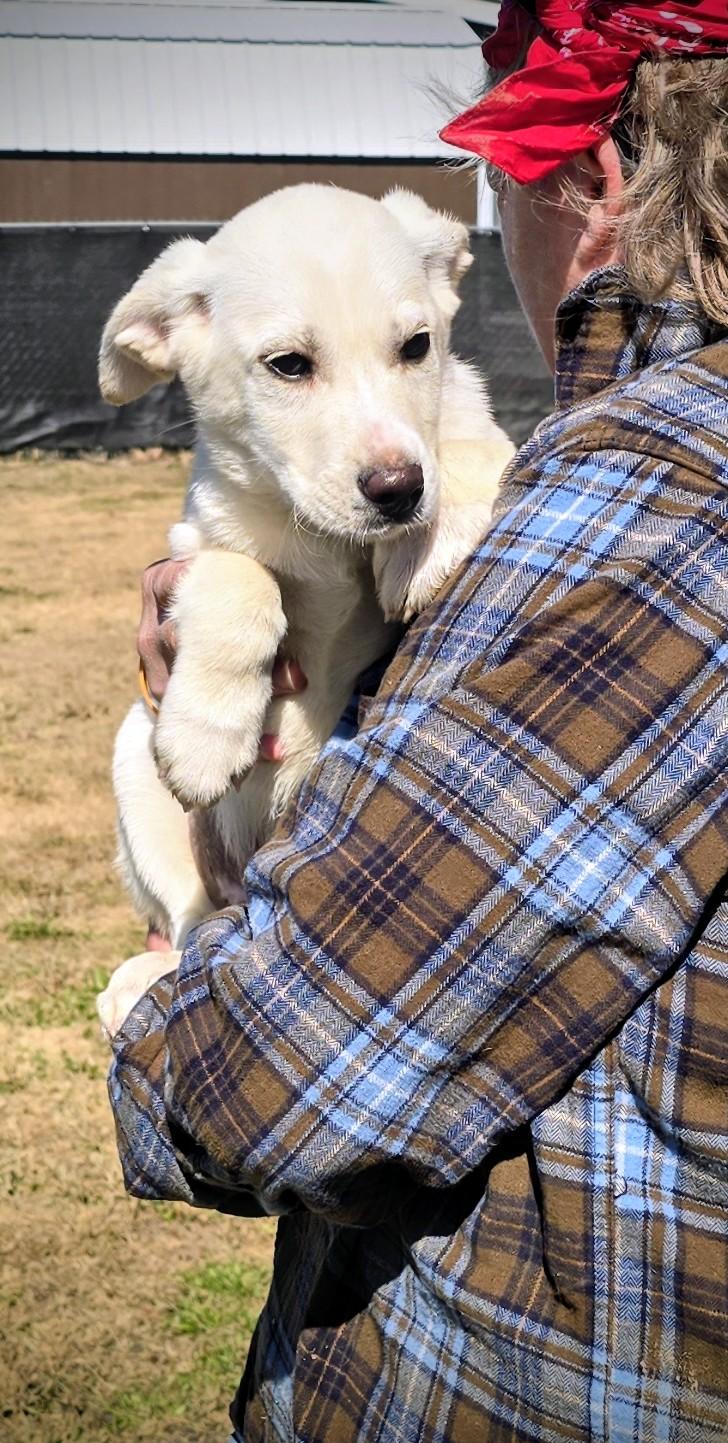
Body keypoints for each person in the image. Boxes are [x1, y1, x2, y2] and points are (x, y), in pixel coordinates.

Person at [105, 3, 728, 1438]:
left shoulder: (646, 496)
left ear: (591, 184)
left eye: (496, 177)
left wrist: (161, 1011)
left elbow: (277, 1078)